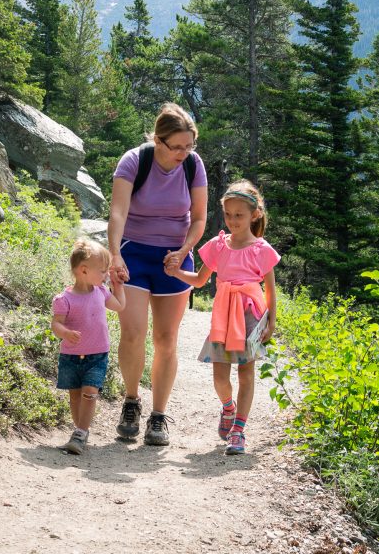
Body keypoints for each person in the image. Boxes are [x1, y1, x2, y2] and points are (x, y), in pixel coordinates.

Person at [108, 103, 208, 446]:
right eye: (177, 146)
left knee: (166, 339)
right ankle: (131, 401)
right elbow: (118, 212)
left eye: (189, 146)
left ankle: (159, 415)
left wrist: (184, 251)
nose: (183, 153)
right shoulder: (135, 161)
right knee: (133, 333)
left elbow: (198, 218)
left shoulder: (194, 166)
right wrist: (115, 253)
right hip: (134, 252)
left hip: (174, 259)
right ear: (158, 140)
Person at [165, 179, 280, 455]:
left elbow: (270, 291)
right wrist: (177, 272)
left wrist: (272, 322)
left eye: (238, 215)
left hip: (250, 315)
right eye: (228, 215)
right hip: (224, 315)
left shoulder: (262, 249)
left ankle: (239, 430)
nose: (232, 220)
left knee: (246, 373)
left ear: (255, 214)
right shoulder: (218, 245)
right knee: (219, 376)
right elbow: (201, 280)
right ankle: (228, 407)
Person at [51, 239, 126, 455]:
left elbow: (120, 306)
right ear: (84, 270)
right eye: (103, 271)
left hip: (97, 355)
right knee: (75, 396)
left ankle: (81, 432)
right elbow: (56, 324)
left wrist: (118, 286)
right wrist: (65, 333)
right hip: (71, 357)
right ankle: (79, 430)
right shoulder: (63, 299)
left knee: (90, 392)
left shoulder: (101, 292)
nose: (105, 276)